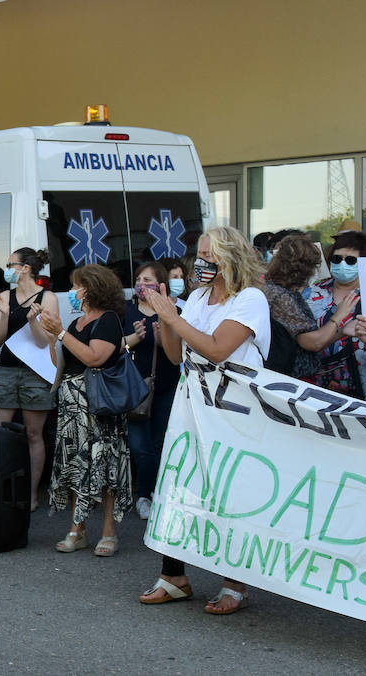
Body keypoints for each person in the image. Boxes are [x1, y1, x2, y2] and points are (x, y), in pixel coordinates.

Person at [138, 226, 269, 614]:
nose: (201, 263)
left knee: (230, 491)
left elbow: (216, 349)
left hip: (235, 413)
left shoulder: (250, 299)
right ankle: (173, 575)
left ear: (230, 259)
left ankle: (235, 582)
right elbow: (177, 356)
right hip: (193, 406)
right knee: (179, 485)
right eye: (200, 254)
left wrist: (172, 318)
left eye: (209, 256)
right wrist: (167, 319)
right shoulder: (196, 297)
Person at [37, 264, 132, 555]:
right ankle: (77, 530)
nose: (72, 292)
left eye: (76, 286)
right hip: (71, 406)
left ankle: (108, 532)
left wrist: (61, 334)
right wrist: (54, 336)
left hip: (98, 406)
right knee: (77, 466)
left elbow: (94, 358)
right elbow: (61, 364)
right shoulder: (77, 321)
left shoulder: (108, 320)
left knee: (104, 468)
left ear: (90, 288)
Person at [0, 248, 54, 506]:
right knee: (3, 431)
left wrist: (34, 321)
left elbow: (44, 342)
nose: (7, 269)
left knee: (33, 434)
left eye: (10, 264)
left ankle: (31, 493)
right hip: (6, 370)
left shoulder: (48, 298)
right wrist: (4, 313)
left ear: (25, 268)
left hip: (35, 373)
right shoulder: (5, 296)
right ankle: (1, 489)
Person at [303, 231, 366, 403]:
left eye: (351, 260)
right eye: (337, 259)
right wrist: (340, 327)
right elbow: (302, 341)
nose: (343, 264)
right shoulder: (312, 292)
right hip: (317, 392)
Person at [122, 262, 179, 520]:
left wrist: (161, 340)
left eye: (148, 280)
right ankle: (144, 493)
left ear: (160, 284)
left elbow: (178, 351)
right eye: (139, 279)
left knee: (158, 444)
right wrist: (133, 338)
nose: (142, 284)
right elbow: (115, 346)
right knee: (139, 446)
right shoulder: (126, 311)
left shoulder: (170, 311)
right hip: (135, 388)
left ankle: (150, 493)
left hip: (165, 385)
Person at [262, 234, 327, 380]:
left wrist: (341, 331)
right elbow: (312, 342)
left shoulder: (276, 290)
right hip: (292, 378)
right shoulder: (281, 295)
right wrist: (339, 317)